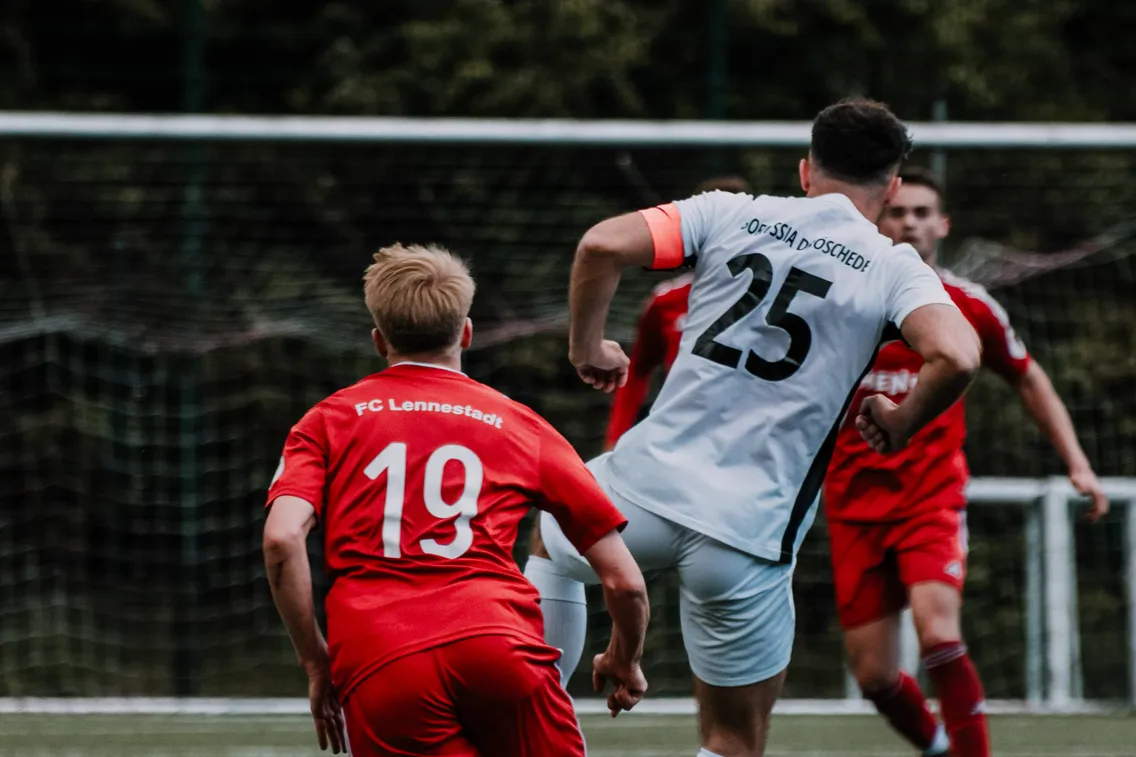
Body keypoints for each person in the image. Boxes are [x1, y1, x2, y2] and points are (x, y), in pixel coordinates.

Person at [523, 98, 983, 757]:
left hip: (640, 491)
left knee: (551, 534)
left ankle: (538, 725)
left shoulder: (727, 211)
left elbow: (601, 244)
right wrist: (901, 420)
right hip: (745, 534)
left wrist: (586, 348)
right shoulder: (892, 266)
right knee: (732, 739)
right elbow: (960, 354)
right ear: (894, 188)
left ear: (804, 171)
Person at [263, 243, 650, 757]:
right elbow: (625, 582)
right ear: (466, 332)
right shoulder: (521, 424)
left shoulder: (326, 421)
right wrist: (624, 657)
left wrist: (316, 661)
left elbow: (281, 538)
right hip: (498, 646)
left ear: (379, 341)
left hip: (383, 656)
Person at [823, 167, 1110, 757]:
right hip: (852, 506)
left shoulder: (968, 306)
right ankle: (936, 749)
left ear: (943, 225)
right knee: (875, 677)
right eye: (899, 212)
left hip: (930, 498)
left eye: (923, 213)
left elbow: (1028, 377)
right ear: (879, 220)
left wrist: (1077, 463)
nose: (910, 223)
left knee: (938, 634)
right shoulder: (840, 299)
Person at [604, 176, 752, 449]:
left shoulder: (772, 298)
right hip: (680, 438)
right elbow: (637, 371)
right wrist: (616, 436)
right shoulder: (666, 301)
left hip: (749, 438)